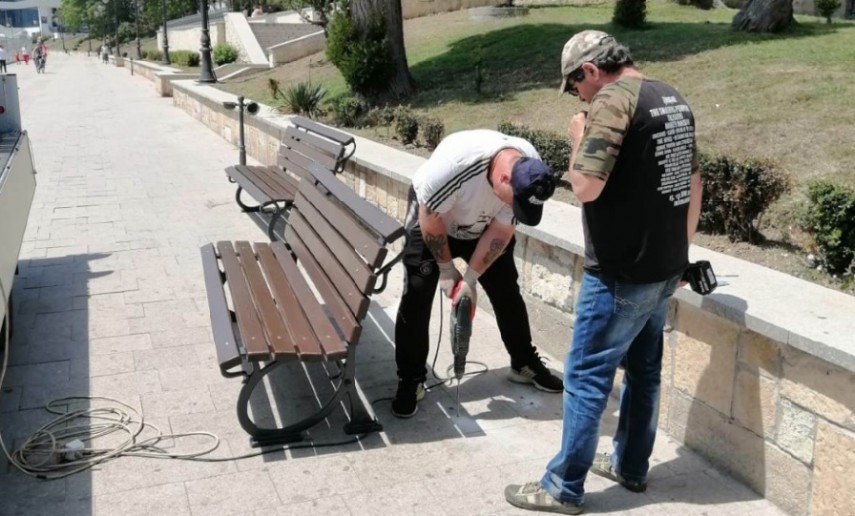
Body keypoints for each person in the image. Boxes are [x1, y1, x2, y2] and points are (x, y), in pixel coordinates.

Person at [504, 30, 703, 514]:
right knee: (644, 372)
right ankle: (631, 466)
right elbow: (694, 184)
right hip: (663, 267)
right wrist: (680, 254)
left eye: (576, 86)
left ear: (591, 70)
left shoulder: (612, 101)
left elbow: (586, 186)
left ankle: (563, 486)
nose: (578, 97)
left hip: (620, 273)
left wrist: (578, 137)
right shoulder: (671, 97)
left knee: (586, 375)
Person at [391, 129, 564, 418]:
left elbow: (502, 230)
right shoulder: (455, 166)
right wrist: (447, 270)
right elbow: (431, 216)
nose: (513, 208)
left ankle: (523, 362)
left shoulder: (530, 171)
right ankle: (411, 378)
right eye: (514, 202)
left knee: (506, 290)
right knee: (417, 293)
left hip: (484, 225)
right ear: (504, 178)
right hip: (434, 217)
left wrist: (470, 279)